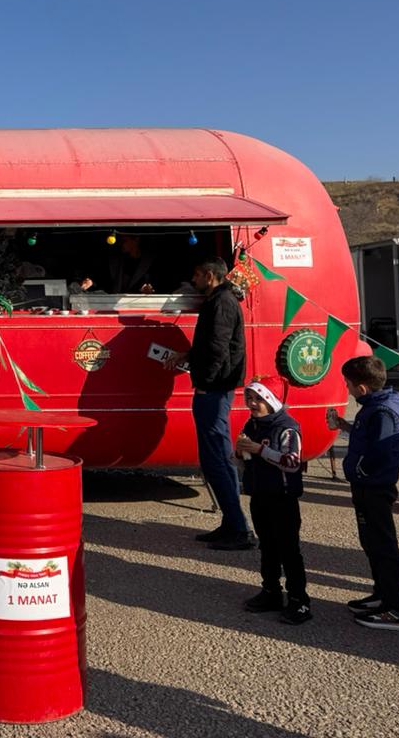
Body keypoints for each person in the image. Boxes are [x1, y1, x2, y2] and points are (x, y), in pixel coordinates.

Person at [168, 258, 252, 549]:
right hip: (214, 387)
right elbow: (209, 344)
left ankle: (239, 530)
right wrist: (188, 355)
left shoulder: (222, 302)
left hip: (214, 390)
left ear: (210, 275)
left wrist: (207, 382)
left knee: (217, 457)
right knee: (213, 457)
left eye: (197, 275)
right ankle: (231, 522)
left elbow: (218, 347)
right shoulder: (218, 300)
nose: (194, 280)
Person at [327, 355, 399, 631]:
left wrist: (359, 471)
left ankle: (394, 609)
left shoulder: (382, 411)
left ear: (361, 388)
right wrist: (345, 426)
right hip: (368, 484)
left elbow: (380, 450)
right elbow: (369, 436)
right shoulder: (379, 405)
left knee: (382, 545)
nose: (347, 388)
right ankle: (382, 594)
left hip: (373, 486)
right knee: (371, 542)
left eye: (348, 384)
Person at [234, 380, 310, 624]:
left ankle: (299, 600)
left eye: (258, 399)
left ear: (271, 400)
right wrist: (240, 453)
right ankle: (271, 591)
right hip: (260, 494)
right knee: (267, 546)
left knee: (289, 549)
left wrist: (259, 450)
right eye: (249, 398)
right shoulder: (252, 425)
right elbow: (245, 461)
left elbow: (292, 463)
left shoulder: (286, 428)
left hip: (282, 498)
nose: (252, 403)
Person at [78, 233, 156, 295]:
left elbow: (155, 284)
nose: (121, 244)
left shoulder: (150, 262)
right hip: (114, 303)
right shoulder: (114, 260)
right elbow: (102, 279)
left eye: (124, 241)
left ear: (136, 240)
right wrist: (91, 282)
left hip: (139, 304)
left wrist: (149, 289)